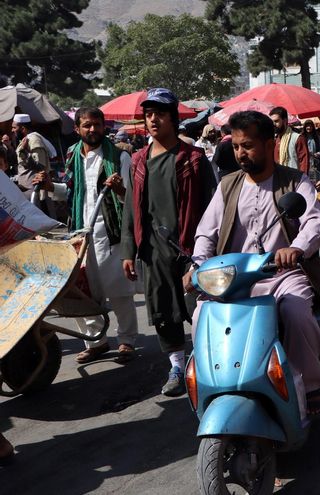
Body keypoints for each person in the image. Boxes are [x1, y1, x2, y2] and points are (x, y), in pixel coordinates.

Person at [190, 110, 320, 416]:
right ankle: (211, 384)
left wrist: (295, 248)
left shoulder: (295, 181)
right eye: (237, 146)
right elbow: (206, 232)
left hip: (283, 275)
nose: (241, 153)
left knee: (295, 312)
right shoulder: (227, 185)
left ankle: (310, 385)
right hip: (235, 278)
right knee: (203, 314)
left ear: (270, 144)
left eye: (249, 145)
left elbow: (314, 222)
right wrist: (198, 266)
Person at [119, 88, 217, 396]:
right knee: (163, 310)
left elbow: (214, 206)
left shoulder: (194, 159)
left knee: (200, 306)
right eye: (148, 115)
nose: (153, 119)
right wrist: (128, 250)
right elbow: (131, 209)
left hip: (190, 248)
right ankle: (177, 365)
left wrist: (211, 249)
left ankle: (209, 362)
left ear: (173, 119)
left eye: (159, 113)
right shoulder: (139, 160)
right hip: (153, 250)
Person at [35, 107, 140, 364]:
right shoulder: (72, 156)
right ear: (77, 128)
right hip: (79, 232)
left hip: (110, 232)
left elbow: (130, 199)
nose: (92, 130)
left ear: (104, 127)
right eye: (86, 125)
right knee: (80, 290)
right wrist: (51, 187)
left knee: (119, 291)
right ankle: (95, 341)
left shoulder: (118, 157)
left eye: (97, 124)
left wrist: (119, 189)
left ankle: (126, 340)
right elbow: (69, 193)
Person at [269, 107, 308, 171]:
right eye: (272, 122)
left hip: (294, 179)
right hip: (278, 178)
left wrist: (302, 180)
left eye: (276, 121)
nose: (273, 124)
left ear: (285, 120)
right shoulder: (275, 140)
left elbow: (304, 163)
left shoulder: (297, 138)